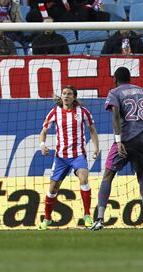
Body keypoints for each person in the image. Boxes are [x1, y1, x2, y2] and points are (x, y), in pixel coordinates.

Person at [90, 67, 143, 231]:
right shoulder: (142, 91)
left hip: (125, 139)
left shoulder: (115, 92)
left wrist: (118, 140)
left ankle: (100, 218)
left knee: (108, 175)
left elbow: (115, 115)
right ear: (130, 78)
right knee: (142, 177)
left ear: (115, 79)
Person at [38, 86, 99, 230]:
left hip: (78, 155)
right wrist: (42, 144)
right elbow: (44, 131)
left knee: (84, 178)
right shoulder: (54, 112)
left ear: (74, 97)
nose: (66, 96)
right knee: (53, 188)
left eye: (69, 94)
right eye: (64, 93)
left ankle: (87, 215)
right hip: (61, 157)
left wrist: (96, 147)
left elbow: (92, 130)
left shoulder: (83, 112)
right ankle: (47, 219)